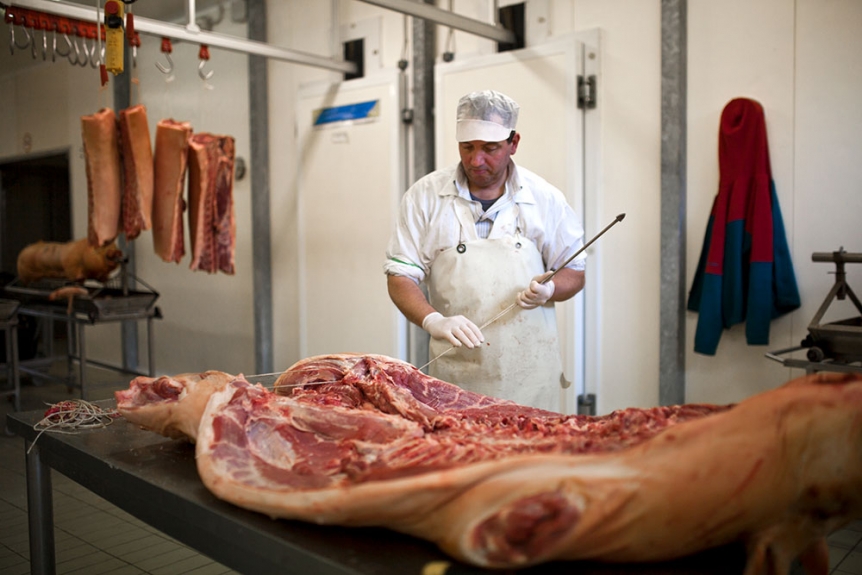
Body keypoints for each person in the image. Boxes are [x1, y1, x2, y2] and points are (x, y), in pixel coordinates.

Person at [383, 90, 586, 411]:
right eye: (468, 148)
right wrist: (433, 320)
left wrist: (550, 289)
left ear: (513, 143)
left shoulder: (545, 199)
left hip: (531, 376)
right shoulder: (424, 197)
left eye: (490, 149)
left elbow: (574, 273)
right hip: (456, 378)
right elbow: (400, 276)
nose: (476, 160)